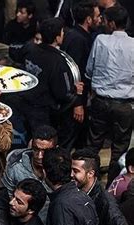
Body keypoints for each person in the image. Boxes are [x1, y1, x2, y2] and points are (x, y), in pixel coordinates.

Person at [10, 18, 84, 139]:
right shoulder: (58, 62)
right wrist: (76, 91)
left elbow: (15, 55)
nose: (63, 34)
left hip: (23, 102)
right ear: (57, 38)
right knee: (41, 140)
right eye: (62, 32)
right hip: (42, 111)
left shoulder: (30, 48)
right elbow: (62, 93)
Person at [85, 5, 134, 185]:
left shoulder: (100, 40)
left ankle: (87, 181)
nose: (103, 24)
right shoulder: (133, 45)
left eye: (105, 21)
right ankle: (111, 187)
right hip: (124, 105)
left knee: (93, 143)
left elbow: (89, 69)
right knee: (119, 149)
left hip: (101, 101)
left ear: (112, 24)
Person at [60, 1, 101, 150]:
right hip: (74, 100)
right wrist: (77, 104)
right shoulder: (79, 40)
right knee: (68, 140)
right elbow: (73, 72)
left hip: (75, 98)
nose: (100, 19)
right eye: (97, 16)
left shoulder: (75, 34)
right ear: (88, 19)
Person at [2, 124, 57, 194]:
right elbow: (5, 195)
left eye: (46, 151)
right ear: (31, 144)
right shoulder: (15, 164)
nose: (39, 156)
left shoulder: (62, 167)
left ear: (55, 150)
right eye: (36, 149)